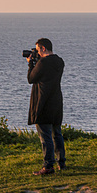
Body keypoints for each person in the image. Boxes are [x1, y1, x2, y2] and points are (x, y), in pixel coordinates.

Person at [27, 38, 66, 176]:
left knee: (45, 137)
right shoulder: (59, 61)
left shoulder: (43, 62)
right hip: (56, 101)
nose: (37, 52)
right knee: (57, 133)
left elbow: (31, 78)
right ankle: (61, 162)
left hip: (43, 102)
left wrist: (31, 64)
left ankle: (48, 165)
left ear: (43, 48)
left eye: (38, 50)